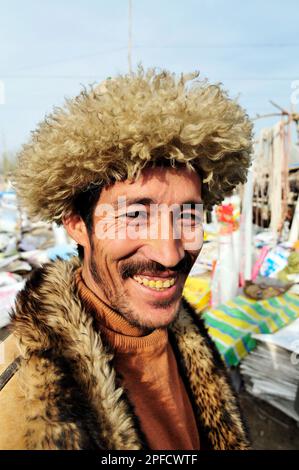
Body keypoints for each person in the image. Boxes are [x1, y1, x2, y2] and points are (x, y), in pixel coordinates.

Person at [0, 68, 252, 450]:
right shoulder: (22, 398)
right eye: (135, 215)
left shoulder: (185, 335)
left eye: (187, 215)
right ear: (76, 224)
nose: (169, 253)